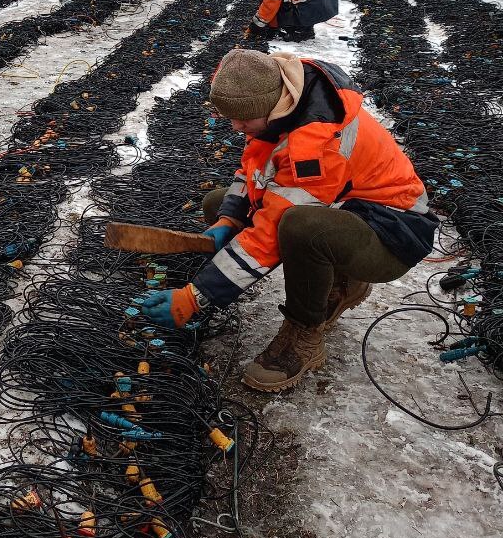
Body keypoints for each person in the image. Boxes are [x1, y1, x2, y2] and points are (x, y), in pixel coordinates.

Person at [140, 48, 437, 393]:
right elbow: (253, 172)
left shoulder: (316, 143)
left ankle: (304, 334)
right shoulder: (281, 105)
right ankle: (342, 284)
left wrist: (196, 296)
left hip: (393, 233)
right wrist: (229, 219)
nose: (236, 127)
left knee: (300, 227)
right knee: (219, 201)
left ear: (268, 108)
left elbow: (269, 233)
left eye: (243, 120)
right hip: (348, 211)